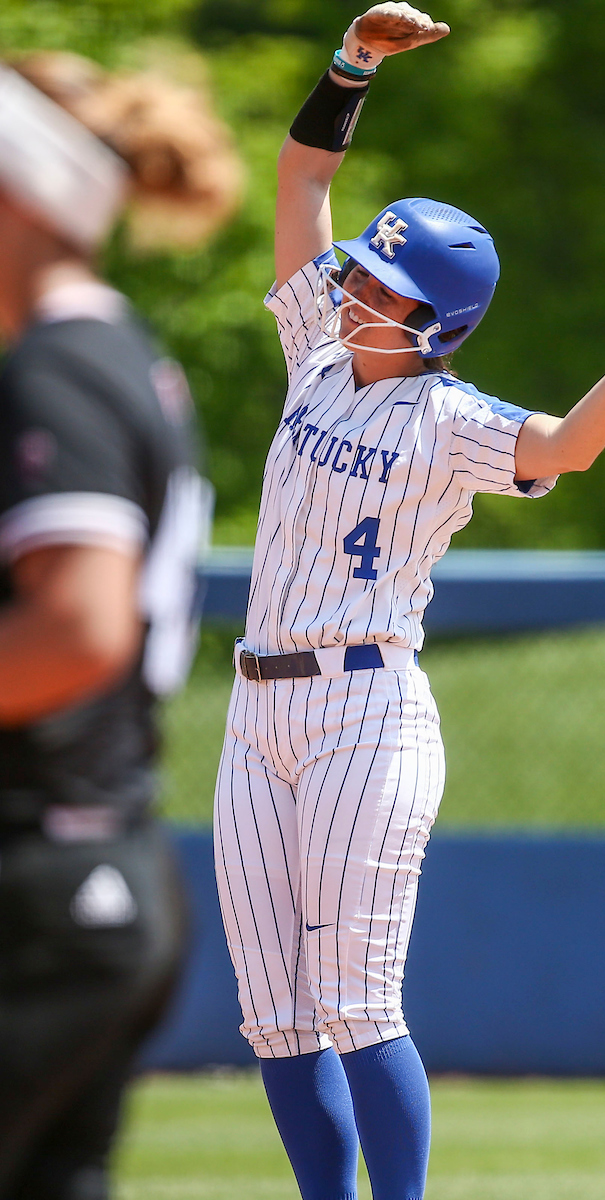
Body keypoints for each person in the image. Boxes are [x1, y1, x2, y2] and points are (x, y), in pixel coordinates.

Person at [213, 5, 605, 1199]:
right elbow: (299, 177)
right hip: (254, 704)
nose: (349, 289)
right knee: (274, 1016)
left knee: (352, 1000)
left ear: (431, 320)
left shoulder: (447, 418)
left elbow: (565, 449)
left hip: (362, 711)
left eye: (378, 286)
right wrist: (352, 68)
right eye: (360, 272)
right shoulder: (317, 358)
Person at [0, 54, 240, 1200]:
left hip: (41, 883)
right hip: (96, 871)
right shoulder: (117, 354)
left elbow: (77, 629)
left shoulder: (57, 367)